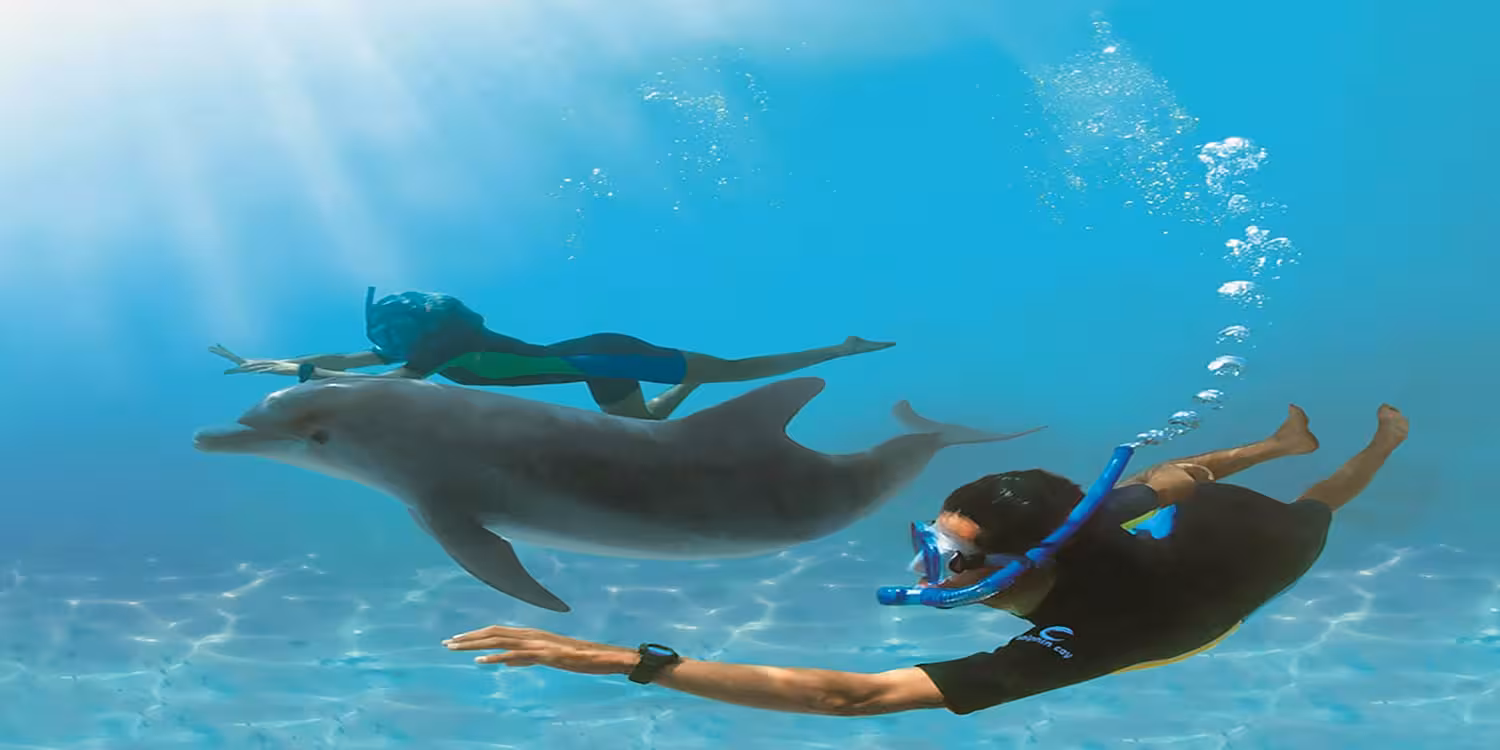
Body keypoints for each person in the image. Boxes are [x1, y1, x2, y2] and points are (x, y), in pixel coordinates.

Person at [440, 402, 1409, 716]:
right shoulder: (1074, 523)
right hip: (1130, 545)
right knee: (1185, 478)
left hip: (1217, 590)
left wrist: (628, 661)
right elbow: (1180, 475)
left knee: (1308, 513)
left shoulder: (1078, 640)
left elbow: (851, 699)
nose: (931, 568)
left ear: (1032, 561)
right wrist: (1254, 450)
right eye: (934, 542)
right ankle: (1288, 446)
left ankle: (1373, 453)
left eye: (958, 556)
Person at [209, 287, 894, 420]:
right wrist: (280, 363)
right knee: (649, 426)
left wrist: (304, 377)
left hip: (603, 356)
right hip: (588, 363)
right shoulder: (428, 348)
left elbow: (387, 379)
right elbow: (359, 361)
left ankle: (842, 348)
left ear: (415, 332)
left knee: (738, 370)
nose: (382, 343)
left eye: (390, 332)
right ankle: (693, 388)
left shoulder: (434, 354)